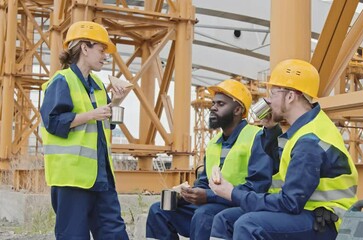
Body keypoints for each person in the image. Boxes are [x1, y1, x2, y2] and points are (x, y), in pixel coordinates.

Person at [209, 59, 359, 240]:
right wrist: (271, 129)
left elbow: (290, 203)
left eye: (273, 94)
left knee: (249, 225)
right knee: (224, 219)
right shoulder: (305, 128)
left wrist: (232, 193)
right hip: (307, 211)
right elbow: (282, 162)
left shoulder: (309, 141)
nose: (268, 101)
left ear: (290, 96)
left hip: (325, 220)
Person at [146, 79, 280, 240]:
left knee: (205, 214)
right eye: (213, 103)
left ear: (238, 110)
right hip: (216, 203)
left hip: (243, 206)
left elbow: (257, 188)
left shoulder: (258, 138)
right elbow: (204, 182)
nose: (213, 107)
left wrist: (209, 196)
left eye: (221, 104)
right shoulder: (214, 143)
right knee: (159, 210)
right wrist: (188, 194)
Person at [40, 21, 130, 239]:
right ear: (84, 47)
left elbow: (105, 121)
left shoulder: (98, 85)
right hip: (72, 177)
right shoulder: (62, 81)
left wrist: (116, 102)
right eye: (102, 50)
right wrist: (91, 115)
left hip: (101, 176)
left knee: (114, 233)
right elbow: (53, 122)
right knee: (73, 235)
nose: (105, 56)